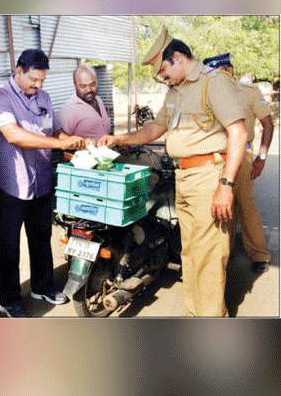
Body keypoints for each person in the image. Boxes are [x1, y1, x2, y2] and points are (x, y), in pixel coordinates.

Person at [99, 29, 247, 317]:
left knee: (209, 256)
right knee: (190, 254)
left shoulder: (213, 83)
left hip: (209, 177)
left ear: (178, 57)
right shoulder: (174, 91)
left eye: (164, 70)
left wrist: (226, 185)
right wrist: (120, 139)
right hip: (184, 178)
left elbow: (238, 133)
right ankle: (195, 314)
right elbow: (155, 129)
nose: (163, 78)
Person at [0, 48, 86, 317]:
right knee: (8, 244)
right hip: (12, 183)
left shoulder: (44, 96)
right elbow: (14, 135)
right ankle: (9, 299)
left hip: (41, 179)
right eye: (33, 79)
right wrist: (58, 143)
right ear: (18, 71)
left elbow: (53, 130)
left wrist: (71, 142)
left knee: (41, 236)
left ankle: (42, 285)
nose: (38, 86)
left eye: (42, 80)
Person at [203, 53, 274, 274]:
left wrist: (261, 157)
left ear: (228, 70)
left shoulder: (248, 92)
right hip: (213, 156)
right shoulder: (205, 92)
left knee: (245, 204)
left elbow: (268, 124)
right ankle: (226, 250)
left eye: (224, 70)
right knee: (221, 206)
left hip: (241, 155)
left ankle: (259, 253)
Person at [58, 64, 112, 140]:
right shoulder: (68, 109)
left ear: (97, 81)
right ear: (75, 85)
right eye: (83, 86)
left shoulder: (98, 100)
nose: (89, 90)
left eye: (92, 84)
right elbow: (61, 141)